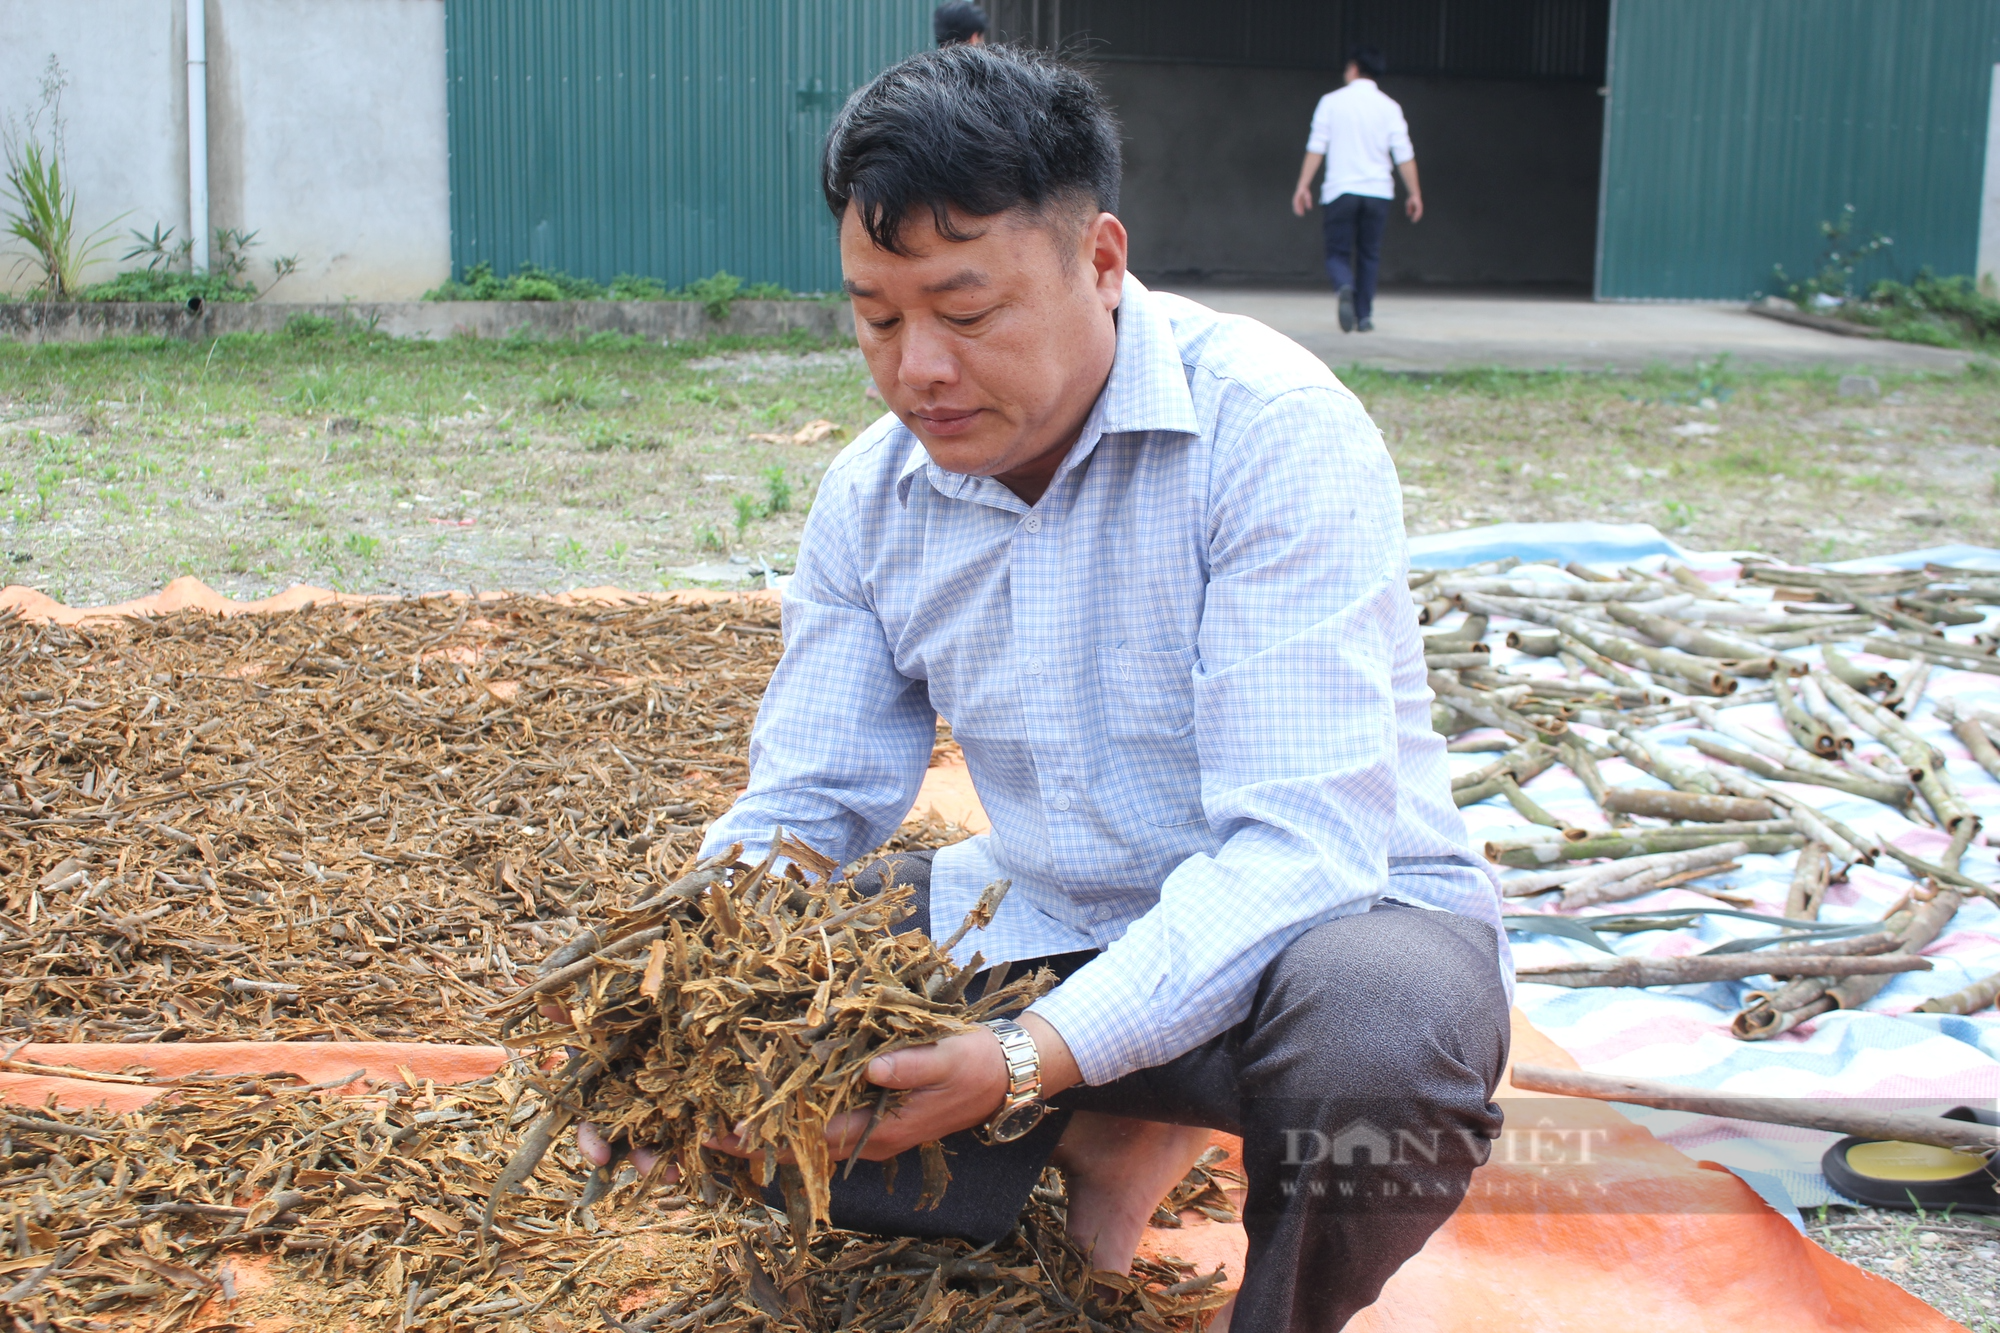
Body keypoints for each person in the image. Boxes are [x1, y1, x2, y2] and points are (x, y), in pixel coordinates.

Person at [591, 44, 1509, 1333]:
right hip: (1052, 910)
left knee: (1378, 1052)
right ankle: (1111, 1131)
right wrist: (668, 1015)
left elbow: (1299, 846)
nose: (918, 369)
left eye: (966, 315)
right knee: (777, 1020)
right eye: (875, 317)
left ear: (1099, 261)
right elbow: (807, 797)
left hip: (1318, 928)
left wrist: (1025, 1059)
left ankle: (1249, 1272)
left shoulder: (1271, 433)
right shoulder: (875, 492)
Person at [1290, 46, 1422, 334]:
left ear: (1353, 68)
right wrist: (1415, 193)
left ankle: (1344, 286)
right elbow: (1403, 154)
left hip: (1340, 190)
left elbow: (1316, 146)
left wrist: (1303, 185)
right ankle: (1364, 317)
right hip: (1378, 191)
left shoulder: (1331, 102)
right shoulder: (1390, 107)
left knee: (1337, 252)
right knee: (1369, 254)